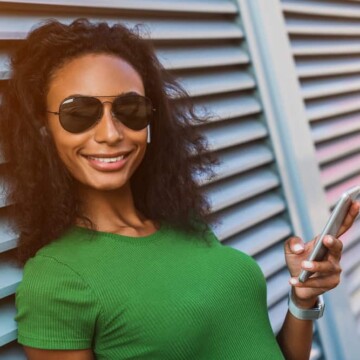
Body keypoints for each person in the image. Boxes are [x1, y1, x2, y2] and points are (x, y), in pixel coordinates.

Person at [1, 18, 358, 360]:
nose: (111, 134)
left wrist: (303, 296)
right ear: (43, 129)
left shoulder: (185, 225)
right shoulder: (56, 280)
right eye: (79, 113)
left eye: (130, 110)